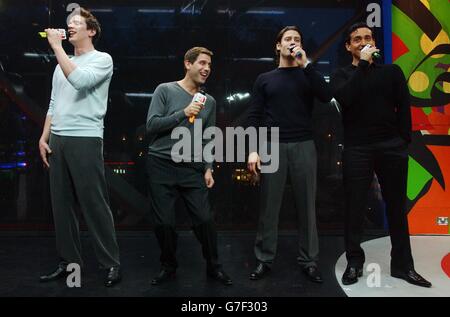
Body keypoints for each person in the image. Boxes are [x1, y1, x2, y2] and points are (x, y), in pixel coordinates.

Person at [330, 22, 431, 287]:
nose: (364, 42)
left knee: (397, 208)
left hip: (391, 147)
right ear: (349, 46)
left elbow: (404, 107)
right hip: (357, 149)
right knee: (354, 208)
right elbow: (345, 99)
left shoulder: (392, 72)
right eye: (357, 39)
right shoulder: (341, 75)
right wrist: (362, 65)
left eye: (368, 37)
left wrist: (403, 140)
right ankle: (354, 264)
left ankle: (403, 266)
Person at [38, 7, 121, 287]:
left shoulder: (102, 60)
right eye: (68, 23)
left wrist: (56, 47)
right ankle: (70, 265)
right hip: (58, 139)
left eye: (76, 22)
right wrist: (44, 136)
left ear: (91, 31)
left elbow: (80, 81)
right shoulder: (60, 64)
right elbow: (53, 102)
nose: (70, 26)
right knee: (62, 206)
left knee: (94, 203)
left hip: (85, 137)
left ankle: (111, 263)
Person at [247, 26, 332, 283]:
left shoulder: (307, 74)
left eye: (297, 39)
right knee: (269, 208)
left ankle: (309, 261)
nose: (292, 42)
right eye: (288, 39)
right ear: (278, 46)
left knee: (307, 206)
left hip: (303, 144)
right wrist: (253, 150)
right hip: (272, 145)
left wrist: (306, 64)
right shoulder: (265, 79)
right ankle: (264, 259)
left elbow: (326, 96)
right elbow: (254, 116)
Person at [146, 47, 232, 286]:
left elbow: (208, 137)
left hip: (192, 167)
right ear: (188, 64)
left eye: (209, 66)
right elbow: (152, 125)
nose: (206, 69)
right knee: (164, 222)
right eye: (202, 63)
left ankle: (214, 267)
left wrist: (208, 167)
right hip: (161, 163)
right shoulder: (165, 90)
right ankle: (168, 266)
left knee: (204, 220)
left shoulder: (209, 102)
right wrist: (183, 112)